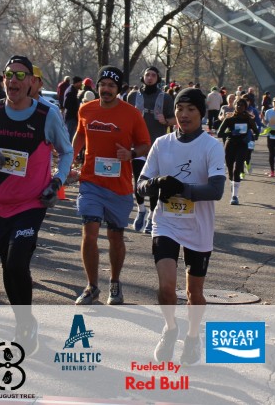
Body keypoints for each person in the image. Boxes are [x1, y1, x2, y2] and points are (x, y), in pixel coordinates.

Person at [0, 55, 72, 352]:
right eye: (9, 75)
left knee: (16, 262)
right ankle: (25, 321)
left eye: (21, 76)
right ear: (3, 80)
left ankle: (24, 325)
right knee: (8, 268)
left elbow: (66, 151)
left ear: (32, 82)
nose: (14, 81)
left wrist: (57, 181)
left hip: (31, 203)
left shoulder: (46, 115)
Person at [137, 88, 226, 364]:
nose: (184, 114)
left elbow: (216, 190)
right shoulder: (161, 144)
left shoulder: (211, 146)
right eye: (179, 109)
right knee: (166, 287)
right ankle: (170, 328)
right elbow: (140, 185)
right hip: (165, 223)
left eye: (191, 109)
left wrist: (182, 189)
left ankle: (193, 336)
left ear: (201, 113)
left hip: (198, 227)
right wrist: (156, 183)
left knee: (193, 294)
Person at [71, 65, 150, 306]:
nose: (106, 89)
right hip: (91, 182)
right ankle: (92, 286)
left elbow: (145, 144)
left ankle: (114, 282)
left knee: (115, 237)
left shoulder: (131, 114)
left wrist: (131, 153)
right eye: (103, 84)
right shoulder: (86, 109)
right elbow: (80, 135)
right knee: (90, 232)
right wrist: (69, 159)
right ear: (97, 86)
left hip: (119, 186)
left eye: (111, 86)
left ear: (119, 89)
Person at [126, 66, 175, 232]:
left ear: (158, 78)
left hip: (156, 145)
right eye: (147, 74)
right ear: (143, 77)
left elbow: (175, 119)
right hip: (137, 144)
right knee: (138, 180)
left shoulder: (165, 97)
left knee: (154, 183)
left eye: (153, 75)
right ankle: (141, 210)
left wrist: (166, 120)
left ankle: (152, 216)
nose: (150, 77)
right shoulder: (133, 96)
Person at [216, 97, 258, 204]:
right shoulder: (229, 119)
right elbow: (219, 133)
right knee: (230, 170)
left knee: (237, 168)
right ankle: (233, 183)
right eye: (237, 104)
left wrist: (250, 136)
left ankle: (234, 196)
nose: (239, 106)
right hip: (230, 145)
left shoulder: (248, 119)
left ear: (245, 107)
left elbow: (256, 132)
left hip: (242, 145)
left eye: (242, 105)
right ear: (234, 106)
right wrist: (231, 133)